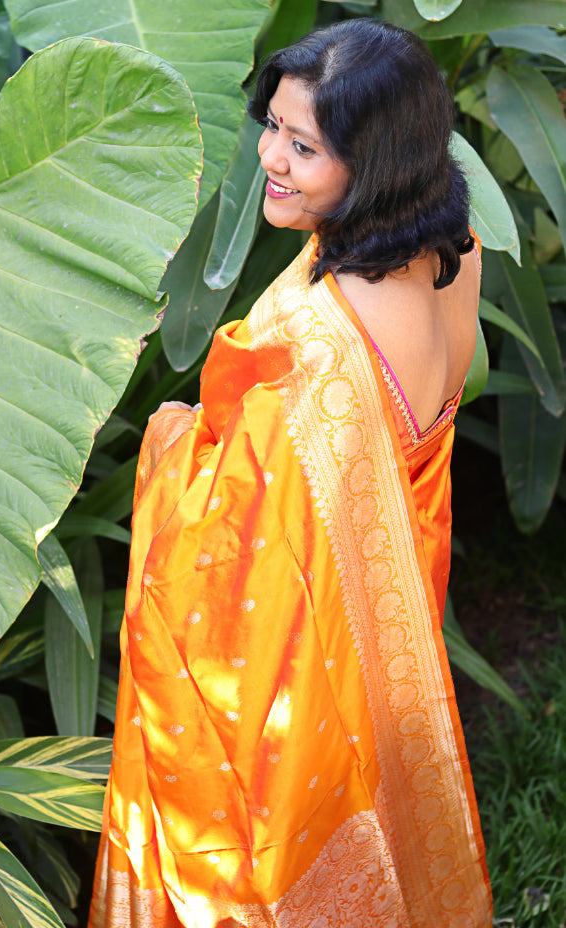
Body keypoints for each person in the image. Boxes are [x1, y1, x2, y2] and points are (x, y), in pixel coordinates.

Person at [89, 17, 492, 928]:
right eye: (272, 125)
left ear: (377, 161)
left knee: (279, 860)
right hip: (391, 614)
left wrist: (171, 443)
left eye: (303, 146)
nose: (270, 156)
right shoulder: (451, 246)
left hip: (301, 659)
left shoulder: (322, 350)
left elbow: (233, 554)